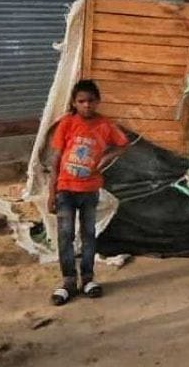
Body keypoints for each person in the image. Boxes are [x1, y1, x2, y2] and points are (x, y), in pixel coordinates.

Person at [47, 79, 130, 305]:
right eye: (81, 101)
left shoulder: (104, 125)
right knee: (65, 235)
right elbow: (55, 158)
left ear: (97, 102)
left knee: (88, 234)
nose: (86, 105)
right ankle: (68, 281)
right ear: (74, 103)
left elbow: (123, 144)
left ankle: (88, 278)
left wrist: (105, 158)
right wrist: (51, 191)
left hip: (89, 190)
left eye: (90, 101)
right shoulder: (67, 123)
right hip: (65, 188)